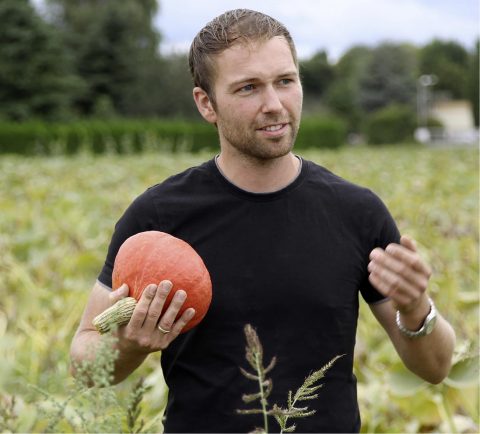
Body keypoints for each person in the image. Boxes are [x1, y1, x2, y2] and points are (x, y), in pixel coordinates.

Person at [70, 9, 456, 433]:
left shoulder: (357, 213)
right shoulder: (158, 217)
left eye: (285, 81)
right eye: (248, 88)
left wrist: (417, 310)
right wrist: (127, 346)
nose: (274, 105)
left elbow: (436, 368)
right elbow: (85, 360)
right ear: (206, 103)